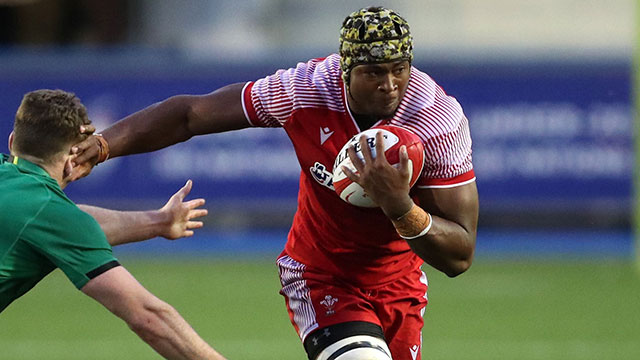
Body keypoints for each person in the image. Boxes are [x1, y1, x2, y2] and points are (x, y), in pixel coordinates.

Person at [71, 6, 478, 360]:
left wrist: (399, 206)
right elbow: (191, 114)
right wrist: (104, 145)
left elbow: (459, 256)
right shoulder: (307, 88)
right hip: (320, 275)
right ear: (345, 70)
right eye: (373, 72)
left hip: (398, 284)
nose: (389, 84)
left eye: (398, 70)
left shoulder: (437, 121)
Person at [0, 89, 226, 360]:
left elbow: (65, 223)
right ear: (76, 158)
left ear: (13, 141)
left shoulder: (35, 204)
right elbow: (149, 318)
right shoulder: (49, 214)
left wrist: (159, 221)